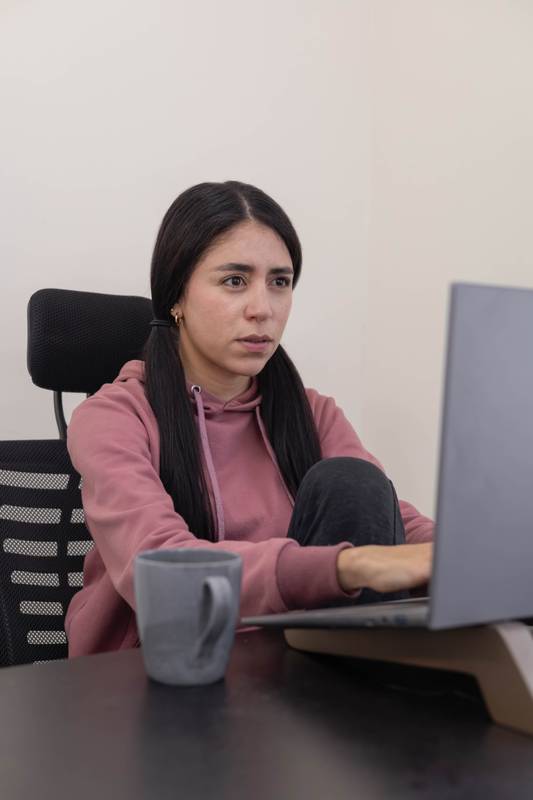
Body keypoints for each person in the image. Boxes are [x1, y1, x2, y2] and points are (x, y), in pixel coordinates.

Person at [65, 180, 434, 657]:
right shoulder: (114, 418)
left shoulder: (312, 412)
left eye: (279, 282)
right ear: (176, 295)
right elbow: (160, 568)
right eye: (234, 281)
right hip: (157, 676)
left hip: (287, 671)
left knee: (356, 483)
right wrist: (348, 567)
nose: (263, 309)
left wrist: (476, 554)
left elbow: (393, 522)